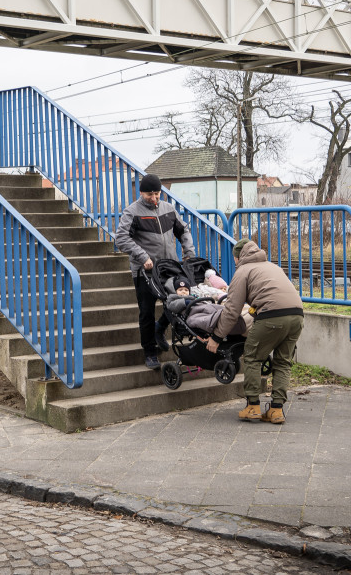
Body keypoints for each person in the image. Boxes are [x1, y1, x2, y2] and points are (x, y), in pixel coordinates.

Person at [205, 238, 304, 425]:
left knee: (252, 357)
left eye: (234, 257)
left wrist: (217, 337)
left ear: (238, 256)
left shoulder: (242, 271)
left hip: (271, 316)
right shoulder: (273, 267)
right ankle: (276, 410)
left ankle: (253, 406)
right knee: (283, 362)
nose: (234, 261)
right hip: (297, 316)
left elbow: (232, 310)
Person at [114, 174, 195, 369]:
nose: (154, 198)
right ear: (142, 193)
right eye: (150, 194)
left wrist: (189, 252)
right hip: (145, 271)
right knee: (146, 312)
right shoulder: (132, 212)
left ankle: (161, 328)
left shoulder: (168, 209)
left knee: (176, 304)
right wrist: (143, 257)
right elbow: (121, 238)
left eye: (157, 194)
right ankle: (149, 352)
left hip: (169, 267)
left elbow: (183, 230)